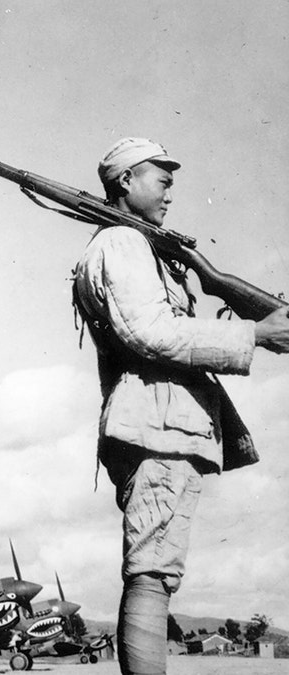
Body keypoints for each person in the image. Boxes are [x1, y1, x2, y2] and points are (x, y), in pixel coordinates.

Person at [72, 137, 289, 675]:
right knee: (152, 572)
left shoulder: (139, 246)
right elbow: (151, 333)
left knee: (157, 570)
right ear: (125, 181)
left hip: (161, 424)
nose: (171, 189)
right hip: (156, 427)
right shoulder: (122, 244)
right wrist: (252, 334)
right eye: (161, 177)